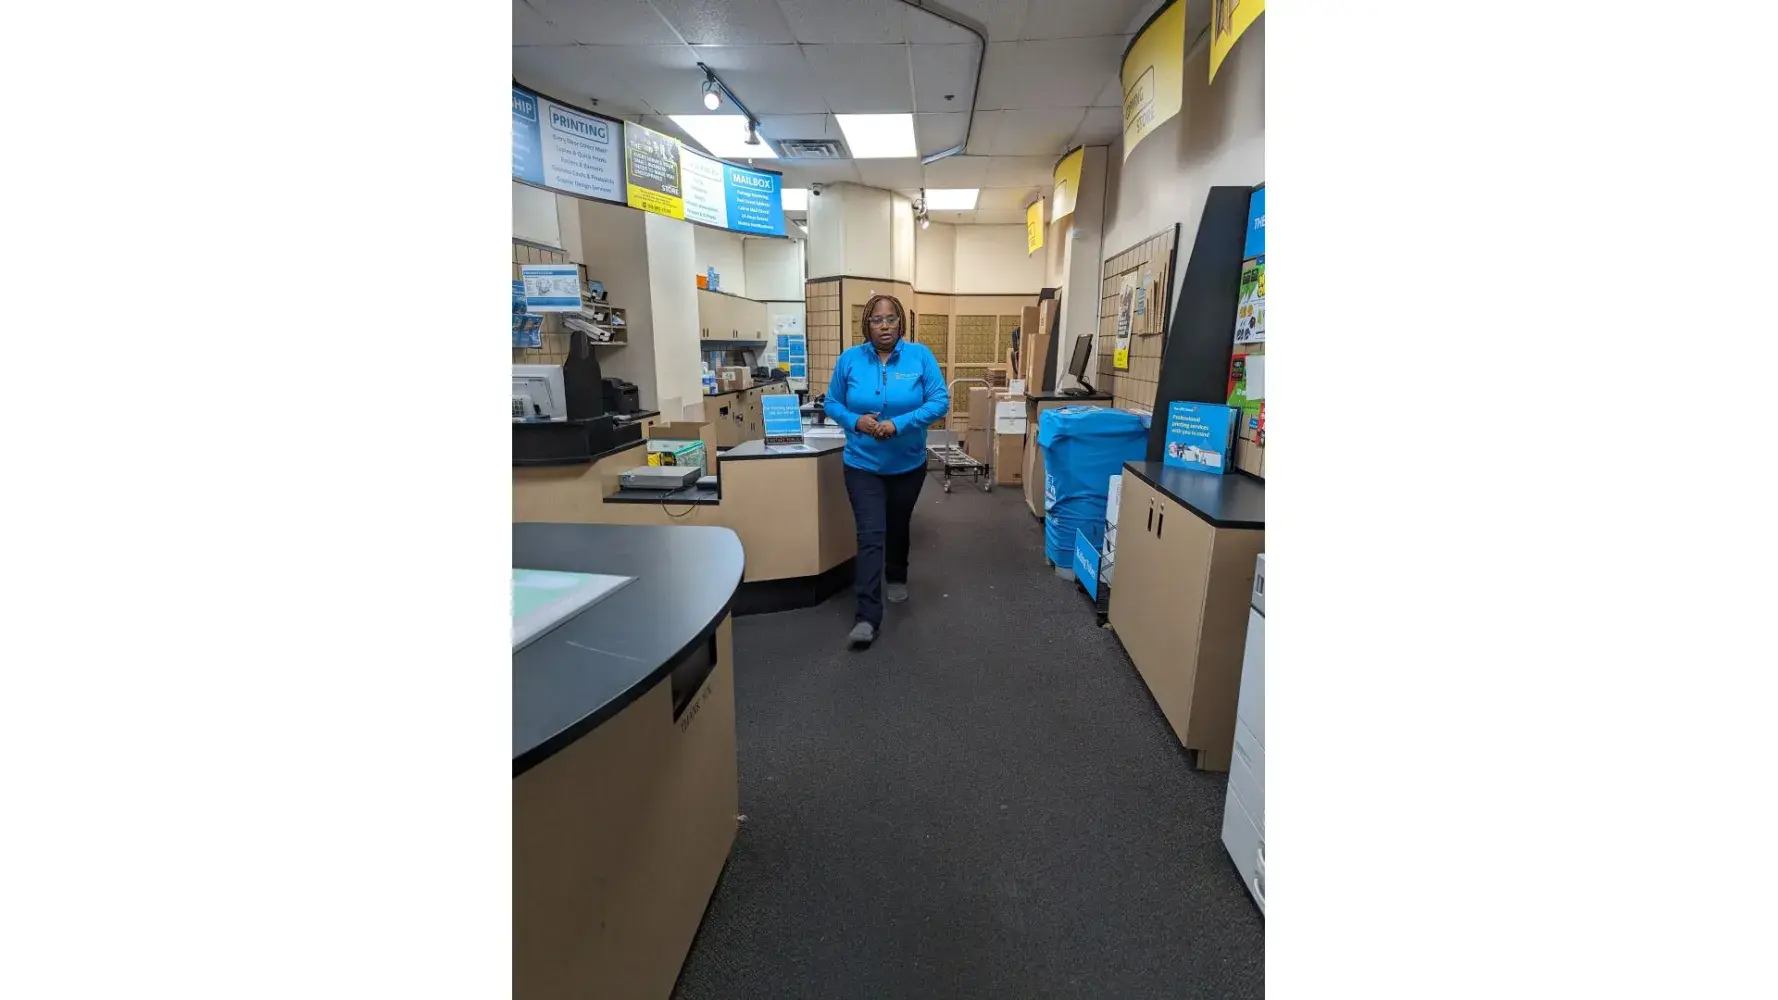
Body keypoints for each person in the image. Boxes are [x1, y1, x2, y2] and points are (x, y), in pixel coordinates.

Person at [822, 294, 950, 648]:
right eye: (877, 320)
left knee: (897, 523)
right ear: (867, 324)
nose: (884, 326)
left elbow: (940, 401)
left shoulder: (919, 356)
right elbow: (831, 402)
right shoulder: (850, 359)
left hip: (908, 464)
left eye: (891, 319)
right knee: (870, 533)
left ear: (900, 323)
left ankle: (897, 574)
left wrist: (898, 424)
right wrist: (855, 421)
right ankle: (867, 616)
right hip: (862, 464)